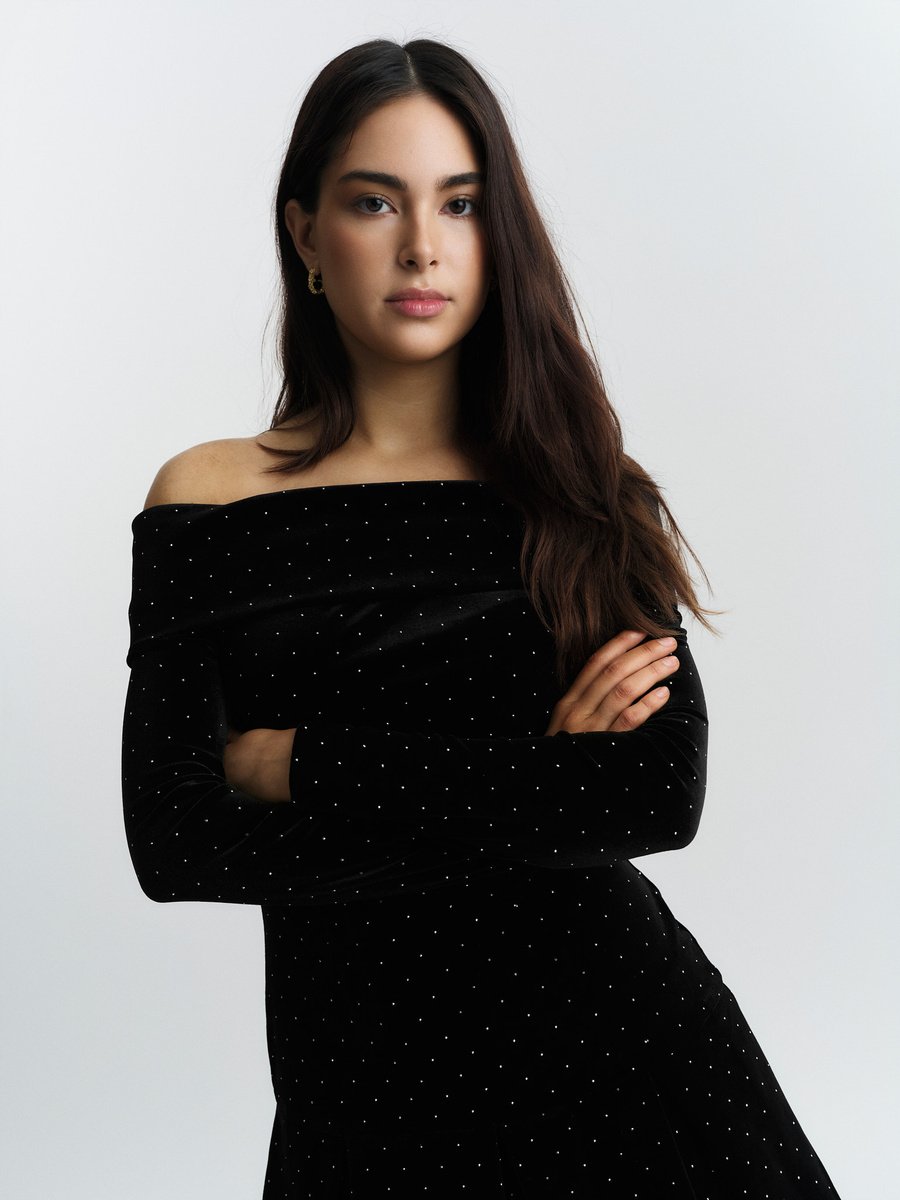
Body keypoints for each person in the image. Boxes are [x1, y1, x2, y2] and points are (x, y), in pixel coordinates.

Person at [121, 37, 842, 1198]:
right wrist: (540, 778)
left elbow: (651, 797)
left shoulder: (584, 492)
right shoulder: (208, 502)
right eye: (375, 201)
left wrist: (301, 763)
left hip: (630, 1074)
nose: (423, 244)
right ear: (305, 232)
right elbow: (177, 843)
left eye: (460, 204)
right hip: (365, 1098)